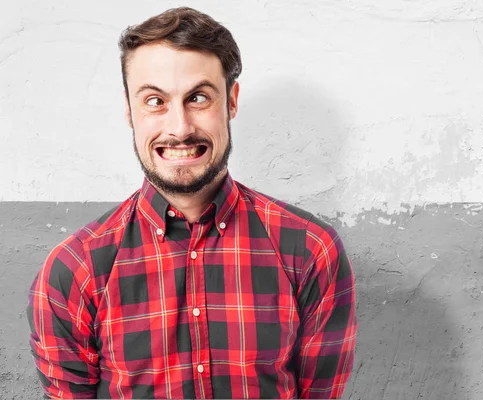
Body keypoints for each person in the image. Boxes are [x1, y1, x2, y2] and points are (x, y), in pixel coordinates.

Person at [26, 6, 357, 400]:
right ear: (129, 110)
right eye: (155, 101)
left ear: (231, 102)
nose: (179, 128)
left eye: (198, 97)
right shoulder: (72, 271)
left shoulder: (310, 250)